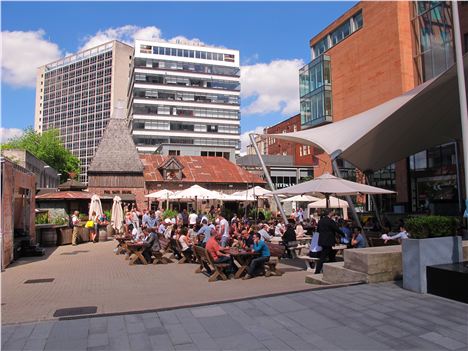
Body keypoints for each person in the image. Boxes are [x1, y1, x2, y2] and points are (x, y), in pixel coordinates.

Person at [315, 210, 345, 274]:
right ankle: (317, 271)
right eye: (332, 212)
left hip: (322, 240)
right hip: (328, 241)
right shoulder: (330, 221)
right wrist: (343, 234)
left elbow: (318, 230)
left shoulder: (320, 221)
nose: (333, 213)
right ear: (330, 213)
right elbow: (336, 229)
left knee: (331, 255)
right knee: (323, 257)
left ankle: (334, 269)